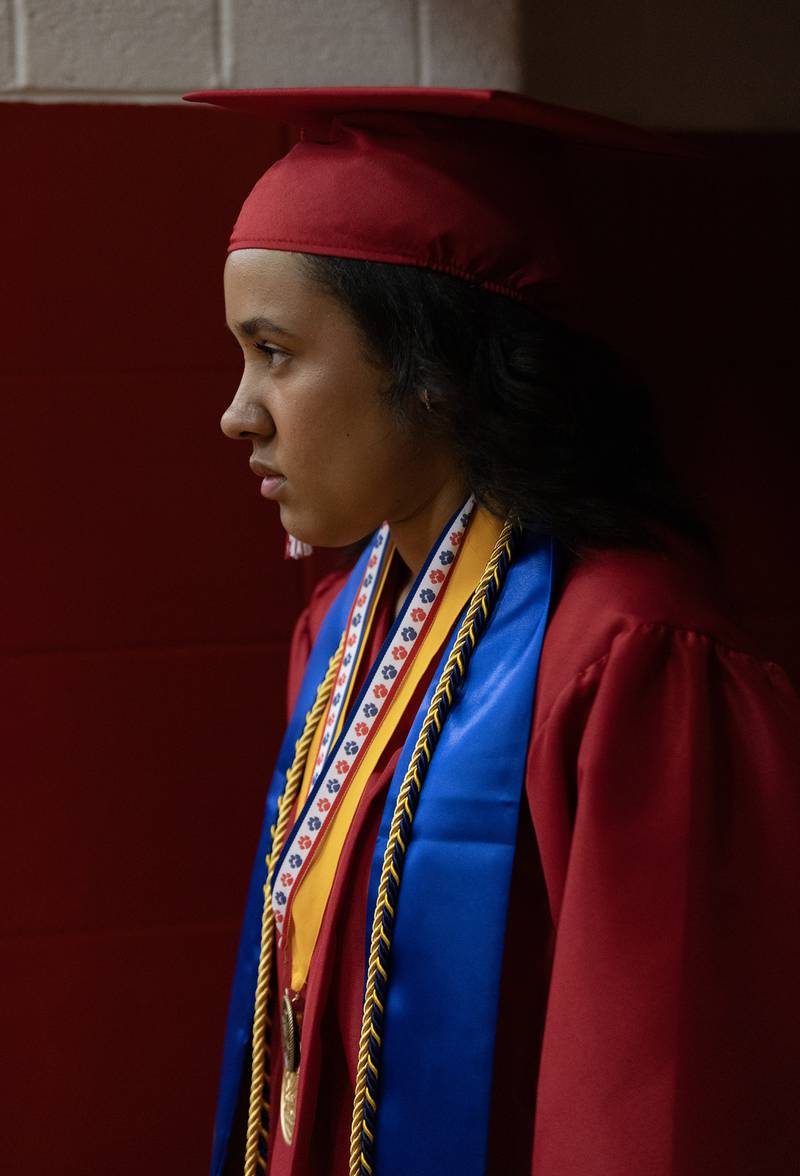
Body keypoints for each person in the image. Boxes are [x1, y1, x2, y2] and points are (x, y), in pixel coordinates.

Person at [182, 87, 800, 1176]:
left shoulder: (629, 659)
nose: (240, 410)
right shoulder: (340, 630)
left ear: (431, 374)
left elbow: (659, 1105)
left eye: (275, 352)